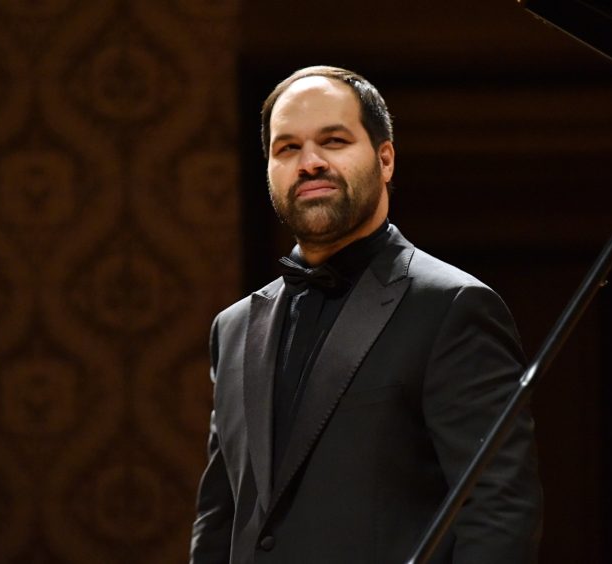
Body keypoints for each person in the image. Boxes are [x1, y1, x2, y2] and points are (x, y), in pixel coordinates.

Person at [190, 65, 542, 564]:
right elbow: (219, 517)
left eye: (333, 141)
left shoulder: (452, 307)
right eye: (287, 148)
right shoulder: (234, 327)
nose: (309, 162)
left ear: (385, 158)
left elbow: (500, 510)